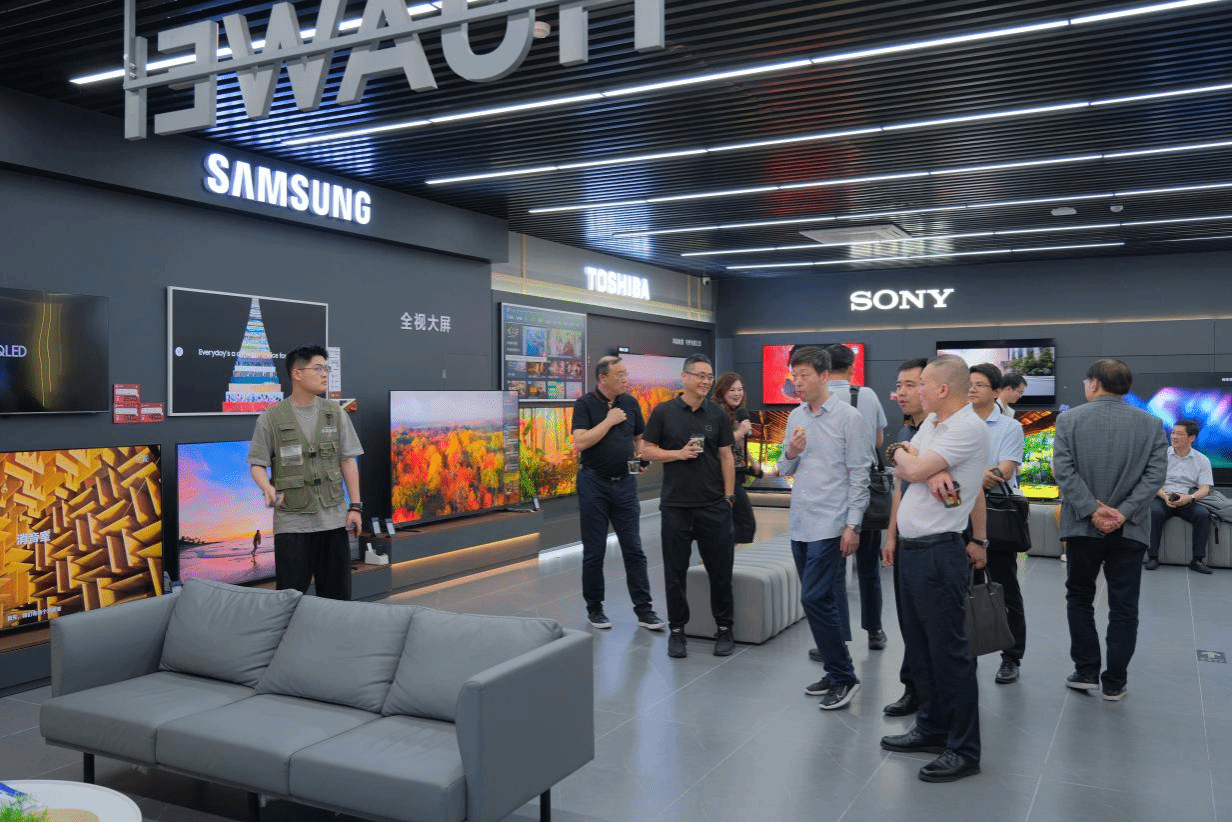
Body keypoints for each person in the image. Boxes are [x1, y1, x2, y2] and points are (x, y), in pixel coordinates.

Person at [880, 354, 989, 783]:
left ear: (942, 389)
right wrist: (910, 458)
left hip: (939, 554)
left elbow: (912, 466)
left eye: (920, 384)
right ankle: (931, 727)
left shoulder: (967, 427)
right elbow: (905, 459)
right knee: (920, 647)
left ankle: (964, 749)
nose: (911, 392)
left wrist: (916, 465)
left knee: (949, 653)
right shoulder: (933, 423)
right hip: (913, 552)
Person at [1052, 358, 1168, 701]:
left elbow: (1063, 471)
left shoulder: (1068, 420)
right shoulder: (1151, 424)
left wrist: (1092, 509)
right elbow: (1155, 476)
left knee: (1079, 597)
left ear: (1094, 383)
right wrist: (1123, 513)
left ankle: (1086, 671)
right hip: (1130, 529)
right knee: (1124, 606)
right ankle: (1115, 682)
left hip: (1081, 527)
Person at [777, 346, 871, 710]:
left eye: (804, 376)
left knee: (814, 598)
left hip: (832, 523)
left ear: (824, 376)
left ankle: (844, 676)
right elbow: (785, 469)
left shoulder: (849, 418)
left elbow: (859, 475)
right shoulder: (795, 416)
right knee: (822, 599)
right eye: (794, 376)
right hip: (801, 520)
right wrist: (792, 451)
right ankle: (835, 671)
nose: (797, 383)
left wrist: (853, 525)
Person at [247, 345, 363, 600]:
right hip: (292, 524)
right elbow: (256, 464)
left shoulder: (336, 413)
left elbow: (348, 460)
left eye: (326, 368)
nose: (325, 374)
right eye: (318, 368)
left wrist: (355, 507)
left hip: (333, 521)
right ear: (297, 374)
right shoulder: (271, 418)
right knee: (288, 600)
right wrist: (266, 487)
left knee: (337, 599)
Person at [641, 354, 737, 659]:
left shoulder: (717, 413)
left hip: (713, 505)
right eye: (699, 375)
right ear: (684, 378)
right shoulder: (664, 412)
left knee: (720, 571)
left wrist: (729, 497)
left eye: (709, 376)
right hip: (676, 506)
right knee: (675, 572)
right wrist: (678, 454)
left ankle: (725, 628)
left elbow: (726, 456)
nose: (705, 381)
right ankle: (677, 630)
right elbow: (646, 450)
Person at [571, 355, 666, 630]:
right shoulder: (585, 404)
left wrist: (641, 458)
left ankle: (645, 611)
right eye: (620, 375)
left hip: (625, 483)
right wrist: (609, 420)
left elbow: (638, 438)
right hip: (594, 484)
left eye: (626, 374)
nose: (626, 379)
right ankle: (595, 609)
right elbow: (580, 442)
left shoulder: (630, 403)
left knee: (634, 549)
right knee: (594, 551)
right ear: (603, 378)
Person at [823, 343, 889, 651]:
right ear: (852, 368)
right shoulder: (868, 395)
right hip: (866, 492)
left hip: (832, 494)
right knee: (868, 568)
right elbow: (878, 440)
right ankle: (875, 631)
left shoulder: (820, 398)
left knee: (835, 571)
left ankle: (839, 638)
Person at [969, 363, 1027, 685]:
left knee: (1003, 587)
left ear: (996, 391)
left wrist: (964, 477)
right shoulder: (954, 423)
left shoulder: (1009, 427)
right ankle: (967, 653)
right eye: (968, 383)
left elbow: (1001, 472)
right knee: (964, 587)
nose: (971, 389)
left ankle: (1011, 656)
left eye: (979, 384)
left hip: (996, 513)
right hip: (957, 513)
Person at [882, 357, 928, 718]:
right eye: (899, 386)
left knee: (936, 626)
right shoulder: (905, 431)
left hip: (938, 542)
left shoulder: (943, 433)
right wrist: (891, 535)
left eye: (910, 385)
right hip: (908, 540)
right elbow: (899, 488)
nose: (901, 393)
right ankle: (913, 688)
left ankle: (934, 697)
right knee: (909, 620)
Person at [1146, 419, 1213, 574]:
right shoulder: (1160, 455)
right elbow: (1151, 481)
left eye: (1179, 434)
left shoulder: (1202, 460)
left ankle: (1197, 560)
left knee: (1203, 515)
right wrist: (1164, 496)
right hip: (1163, 496)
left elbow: (1205, 488)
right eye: (1173, 433)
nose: (1173, 437)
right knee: (1154, 512)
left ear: (1191, 438)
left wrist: (1190, 498)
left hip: (1187, 498)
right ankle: (1152, 557)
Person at [712, 372, 757, 544]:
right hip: (721, 475)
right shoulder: (716, 412)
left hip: (737, 473)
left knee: (737, 522)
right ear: (722, 391)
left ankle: (724, 550)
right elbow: (717, 443)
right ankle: (721, 550)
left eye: (740, 389)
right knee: (745, 523)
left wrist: (752, 460)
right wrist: (740, 432)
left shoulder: (738, 412)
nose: (737, 394)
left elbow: (737, 444)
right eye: (732, 390)